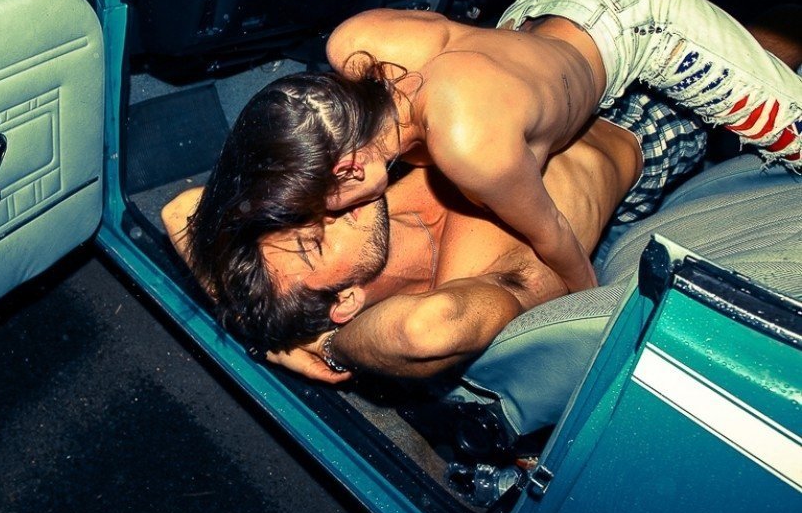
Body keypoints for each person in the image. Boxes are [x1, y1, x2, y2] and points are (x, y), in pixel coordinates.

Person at [196, 0, 802, 296]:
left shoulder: (469, 147)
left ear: (349, 166)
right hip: (546, 11)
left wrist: (583, 298)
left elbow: (555, 237)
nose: (334, 217)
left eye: (328, 206)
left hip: (640, 22)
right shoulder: (355, 43)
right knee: (763, 43)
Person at [163, 89, 705, 382]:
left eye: (294, 223)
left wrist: (265, 335)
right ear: (345, 300)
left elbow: (181, 209)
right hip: (637, 126)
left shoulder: (365, 192)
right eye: (313, 242)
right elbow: (427, 329)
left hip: (535, 79)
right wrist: (327, 348)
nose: (319, 214)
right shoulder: (475, 286)